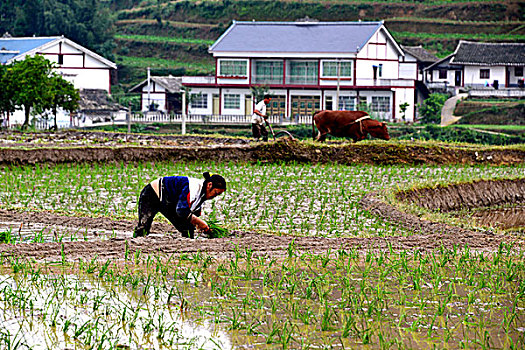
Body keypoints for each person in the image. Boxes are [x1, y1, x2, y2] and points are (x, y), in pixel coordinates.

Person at [133, 172, 226, 239]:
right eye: (216, 193)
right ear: (209, 185)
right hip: (153, 193)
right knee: (143, 228)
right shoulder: (193, 188)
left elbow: (192, 213)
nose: (215, 196)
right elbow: (182, 211)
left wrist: (200, 226)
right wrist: (200, 223)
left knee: (188, 229)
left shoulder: (202, 195)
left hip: (168, 201)